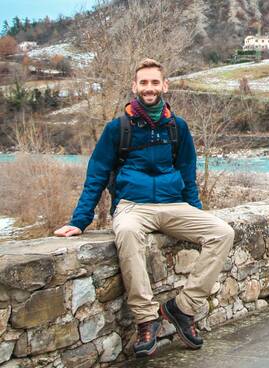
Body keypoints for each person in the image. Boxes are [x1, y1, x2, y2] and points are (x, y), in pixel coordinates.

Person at [54, 58, 235, 358]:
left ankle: (183, 308)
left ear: (165, 85)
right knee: (125, 232)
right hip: (132, 206)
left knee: (222, 232)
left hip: (173, 205)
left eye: (154, 82)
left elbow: (188, 173)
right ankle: (146, 318)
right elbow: (97, 174)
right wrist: (80, 220)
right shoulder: (118, 128)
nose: (149, 88)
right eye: (144, 83)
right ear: (135, 86)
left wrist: (197, 211)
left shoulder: (177, 127)